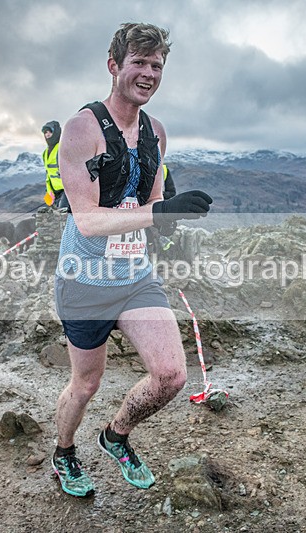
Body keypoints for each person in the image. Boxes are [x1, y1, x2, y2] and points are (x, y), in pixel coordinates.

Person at [51, 23, 212, 497]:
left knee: (171, 375)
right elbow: (86, 221)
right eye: (138, 63)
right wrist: (158, 211)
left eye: (156, 65)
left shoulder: (156, 132)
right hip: (85, 278)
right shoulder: (81, 129)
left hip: (135, 275)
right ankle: (64, 452)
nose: (148, 73)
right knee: (86, 384)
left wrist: (169, 220)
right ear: (114, 65)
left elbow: (151, 204)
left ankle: (115, 435)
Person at [42, 120, 66, 208]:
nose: (47, 134)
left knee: (65, 215)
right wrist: (49, 192)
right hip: (55, 192)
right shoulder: (45, 153)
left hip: (67, 190)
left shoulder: (63, 147)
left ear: (56, 132)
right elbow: (48, 175)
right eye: (45, 132)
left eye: (50, 131)